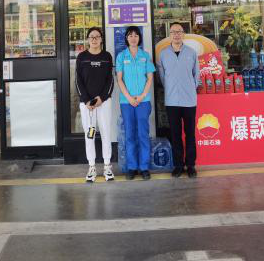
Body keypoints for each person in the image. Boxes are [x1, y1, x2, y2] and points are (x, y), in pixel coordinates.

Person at [156, 22, 200, 178]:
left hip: (189, 100)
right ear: (169, 35)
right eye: (173, 32)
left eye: (179, 31)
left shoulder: (191, 53)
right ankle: (178, 165)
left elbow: (196, 74)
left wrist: (190, 88)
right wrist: (170, 88)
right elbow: (162, 76)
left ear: (183, 34)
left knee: (190, 134)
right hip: (172, 100)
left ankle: (191, 165)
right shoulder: (163, 54)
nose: (176, 34)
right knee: (175, 134)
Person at [116, 26, 156, 180]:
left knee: (143, 134)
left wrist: (141, 96)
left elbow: (150, 78)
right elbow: (119, 79)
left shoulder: (145, 56)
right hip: (126, 102)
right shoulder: (121, 56)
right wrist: (129, 98)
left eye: (136, 35)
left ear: (139, 38)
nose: (133, 38)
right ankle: (132, 167)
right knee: (130, 134)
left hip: (143, 101)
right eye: (130, 35)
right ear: (126, 38)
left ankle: (144, 167)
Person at [75, 27, 114, 183]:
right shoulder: (82, 57)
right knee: (89, 135)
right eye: (91, 37)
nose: (94, 39)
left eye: (97, 36)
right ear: (87, 39)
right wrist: (86, 100)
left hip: (103, 103)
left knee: (106, 133)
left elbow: (110, 80)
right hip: (87, 106)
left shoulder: (107, 56)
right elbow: (78, 81)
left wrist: (101, 98)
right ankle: (91, 167)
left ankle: (107, 166)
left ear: (101, 39)